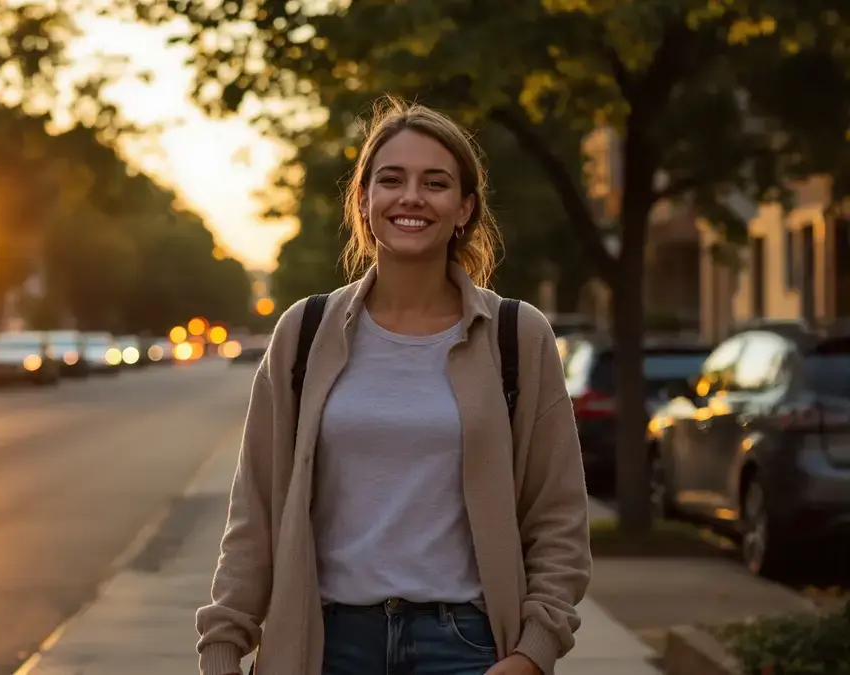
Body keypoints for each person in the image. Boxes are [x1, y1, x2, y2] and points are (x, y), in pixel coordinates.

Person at [196, 97, 591, 675]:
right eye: (391, 179)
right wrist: (224, 644)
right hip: (324, 644)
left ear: (464, 209)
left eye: (435, 182)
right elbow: (255, 508)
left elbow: (557, 515)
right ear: (363, 202)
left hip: (467, 646)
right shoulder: (305, 332)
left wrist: (534, 652)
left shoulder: (516, 335)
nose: (412, 197)